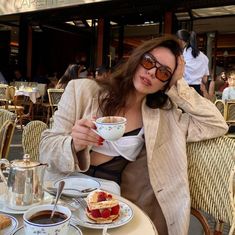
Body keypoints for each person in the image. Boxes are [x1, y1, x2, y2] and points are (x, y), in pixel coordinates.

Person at [39, 35, 228, 235]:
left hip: (114, 204)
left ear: (166, 83)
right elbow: (45, 149)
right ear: (137, 59)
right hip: (63, 194)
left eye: (164, 73)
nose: (152, 73)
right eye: (148, 62)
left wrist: (178, 85)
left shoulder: (164, 117)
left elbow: (216, 124)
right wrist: (72, 144)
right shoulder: (82, 91)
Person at [176, 29, 210, 95]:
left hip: (183, 90)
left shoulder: (181, 56)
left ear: (181, 41)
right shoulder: (204, 57)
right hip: (197, 92)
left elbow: (177, 75)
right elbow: (205, 80)